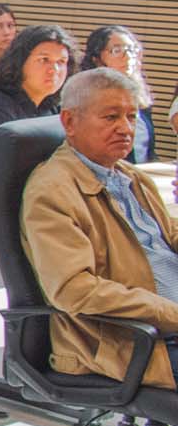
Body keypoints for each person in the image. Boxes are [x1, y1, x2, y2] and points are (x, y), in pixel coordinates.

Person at [21, 67, 178, 391]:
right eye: (111, 117)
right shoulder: (53, 190)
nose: (126, 128)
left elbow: (167, 236)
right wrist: (170, 312)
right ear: (69, 122)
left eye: (132, 117)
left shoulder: (130, 176)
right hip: (134, 342)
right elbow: (74, 289)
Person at [0, 24, 73, 179]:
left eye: (62, 61)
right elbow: (15, 167)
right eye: (44, 60)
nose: (55, 69)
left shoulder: (52, 106)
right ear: (20, 62)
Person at [80, 26, 156, 164]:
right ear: (96, 59)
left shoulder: (139, 97)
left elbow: (148, 152)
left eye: (131, 50)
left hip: (141, 176)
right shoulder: (85, 99)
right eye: (117, 50)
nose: (127, 56)